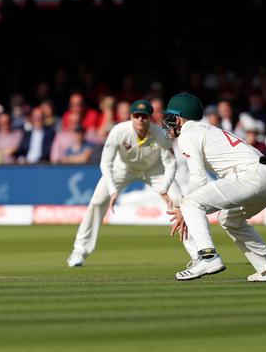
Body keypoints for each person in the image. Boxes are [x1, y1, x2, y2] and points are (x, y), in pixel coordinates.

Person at [163, 93, 266, 281]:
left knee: (190, 202)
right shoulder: (208, 129)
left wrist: (182, 208)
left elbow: (199, 180)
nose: (167, 124)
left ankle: (208, 257)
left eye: (169, 118)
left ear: (179, 118)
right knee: (229, 218)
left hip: (252, 175)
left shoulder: (188, 134)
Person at [67, 100, 197, 267]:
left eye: (144, 116)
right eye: (137, 116)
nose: (140, 120)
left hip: (154, 169)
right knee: (97, 202)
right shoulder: (119, 131)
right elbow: (105, 163)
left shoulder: (160, 134)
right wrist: (113, 190)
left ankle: (197, 253)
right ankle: (79, 251)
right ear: (131, 117)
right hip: (122, 168)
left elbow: (171, 163)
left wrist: (164, 188)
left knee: (178, 200)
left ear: (150, 118)